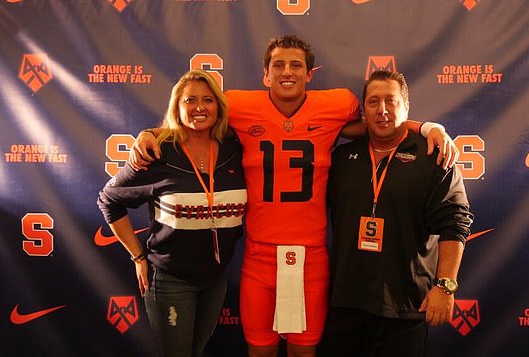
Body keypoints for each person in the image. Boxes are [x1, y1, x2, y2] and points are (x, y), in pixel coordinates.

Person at [128, 35, 458, 357]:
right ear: (265, 74)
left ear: (309, 74)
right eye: (279, 64)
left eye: (296, 65)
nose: (288, 72)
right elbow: (195, 121)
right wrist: (150, 133)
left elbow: (378, 123)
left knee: (304, 349)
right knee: (261, 348)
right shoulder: (240, 105)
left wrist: (426, 128)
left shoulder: (335, 105)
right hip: (259, 255)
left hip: (310, 255)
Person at [97, 69, 247, 357]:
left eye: (208, 100)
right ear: (177, 108)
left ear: (219, 106)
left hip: (216, 279)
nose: (200, 107)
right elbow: (109, 200)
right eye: (190, 100)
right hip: (171, 279)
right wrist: (138, 256)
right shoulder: (157, 152)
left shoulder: (234, 149)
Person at [323, 70, 473, 357]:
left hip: (405, 305)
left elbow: (455, 224)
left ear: (406, 107)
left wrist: (445, 286)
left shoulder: (434, 157)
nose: (382, 110)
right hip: (345, 305)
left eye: (391, 102)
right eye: (373, 102)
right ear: (363, 111)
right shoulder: (342, 159)